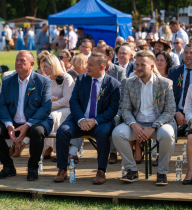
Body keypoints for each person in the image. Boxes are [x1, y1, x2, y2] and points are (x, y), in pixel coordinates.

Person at [54, 52, 121, 184]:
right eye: (87, 63)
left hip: (100, 121)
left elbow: (112, 110)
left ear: (102, 67)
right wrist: (81, 120)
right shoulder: (81, 79)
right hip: (79, 120)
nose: (87, 67)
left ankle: (101, 170)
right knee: (62, 131)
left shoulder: (114, 85)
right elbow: (74, 102)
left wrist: (94, 121)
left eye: (90, 65)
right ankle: (62, 169)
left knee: (103, 133)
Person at [113, 50, 176, 186]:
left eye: (143, 65)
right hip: (136, 123)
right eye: (137, 64)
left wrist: (153, 126)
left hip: (158, 124)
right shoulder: (129, 83)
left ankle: (162, 172)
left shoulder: (165, 83)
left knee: (168, 134)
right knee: (117, 133)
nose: (139, 68)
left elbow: (170, 110)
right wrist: (134, 126)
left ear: (152, 66)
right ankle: (131, 170)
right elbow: (126, 109)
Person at [0, 50, 53, 181]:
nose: (18, 63)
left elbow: (45, 108)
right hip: (13, 121)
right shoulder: (7, 81)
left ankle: (33, 168)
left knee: (37, 131)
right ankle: (8, 167)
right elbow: (2, 106)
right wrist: (9, 125)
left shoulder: (43, 82)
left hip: (36, 121)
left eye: (22, 61)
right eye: (17, 60)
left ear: (32, 64)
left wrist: (27, 125)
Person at [167, 43, 192, 162]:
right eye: (186, 52)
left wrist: (190, 116)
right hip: (176, 110)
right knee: (165, 126)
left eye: (191, 53)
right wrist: (176, 111)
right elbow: (169, 95)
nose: (187, 55)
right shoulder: (174, 71)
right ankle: (163, 156)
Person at [95, 44, 127, 163]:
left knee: (115, 117)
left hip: (115, 105)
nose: (97, 57)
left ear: (109, 56)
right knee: (82, 116)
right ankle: (73, 152)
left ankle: (113, 152)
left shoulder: (120, 71)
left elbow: (122, 93)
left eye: (101, 55)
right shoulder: (95, 70)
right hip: (97, 105)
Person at [39, 54, 74, 158]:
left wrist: (49, 105)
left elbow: (67, 99)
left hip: (66, 108)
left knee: (52, 116)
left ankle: (52, 148)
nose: (43, 69)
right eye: (43, 67)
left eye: (45, 67)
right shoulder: (46, 79)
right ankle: (45, 147)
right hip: (50, 108)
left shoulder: (67, 78)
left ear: (53, 66)